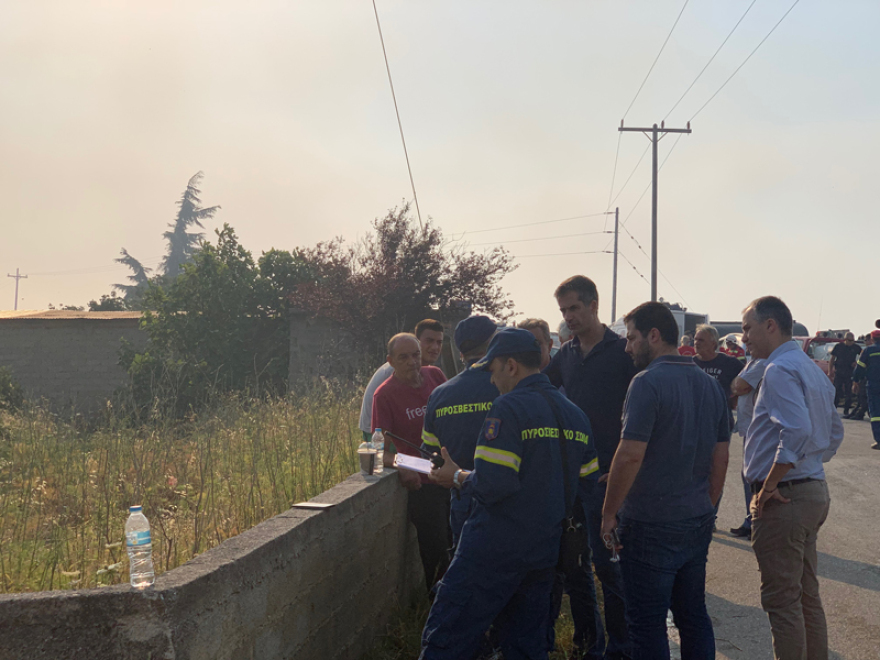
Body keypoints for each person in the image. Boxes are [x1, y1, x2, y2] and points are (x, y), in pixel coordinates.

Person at [420, 328, 599, 660]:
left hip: (492, 549)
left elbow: (493, 484)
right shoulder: (575, 415)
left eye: (493, 370)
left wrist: (456, 476)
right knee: (525, 645)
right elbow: (587, 484)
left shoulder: (508, 408)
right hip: (545, 552)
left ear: (511, 366)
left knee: (447, 636)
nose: (491, 380)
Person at [601, 302, 729, 660]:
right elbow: (722, 456)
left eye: (632, 338)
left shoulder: (646, 383)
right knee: (692, 616)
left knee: (646, 624)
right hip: (696, 517)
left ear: (654, 336)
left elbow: (629, 455)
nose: (627, 347)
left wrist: (609, 513)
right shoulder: (710, 385)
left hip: (650, 523)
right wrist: (708, 504)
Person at [741, 296, 843, 660]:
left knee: (783, 602)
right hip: (810, 491)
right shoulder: (811, 369)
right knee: (805, 596)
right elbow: (833, 432)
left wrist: (770, 484)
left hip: (785, 497)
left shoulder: (778, 370)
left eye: (747, 329)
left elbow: (796, 430)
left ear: (771, 325)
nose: (744, 338)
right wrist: (811, 465)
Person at [545, 275, 636, 660]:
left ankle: (622, 648)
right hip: (574, 479)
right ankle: (588, 645)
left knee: (611, 570)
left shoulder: (623, 352)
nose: (568, 317)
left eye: (574, 309)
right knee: (575, 565)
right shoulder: (564, 355)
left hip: (611, 479)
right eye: (563, 311)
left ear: (594, 305)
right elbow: (538, 390)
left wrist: (621, 470)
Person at [372, 332, 449, 592]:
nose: (412, 362)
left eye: (415, 355)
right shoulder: (384, 396)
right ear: (390, 361)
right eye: (403, 357)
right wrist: (404, 464)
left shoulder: (435, 376)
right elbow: (377, 451)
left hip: (452, 474)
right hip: (424, 484)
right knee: (436, 550)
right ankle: (437, 607)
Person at [422, 315, 499, 547]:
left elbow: (430, 452)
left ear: (460, 353)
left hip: (462, 498)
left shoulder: (440, 394)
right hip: (507, 497)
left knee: (467, 568)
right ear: (494, 343)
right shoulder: (507, 386)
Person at [359, 319, 445, 442]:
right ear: (416, 341)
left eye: (439, 342)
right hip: (380, 432)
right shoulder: (394, 372)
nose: (435, 347)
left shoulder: (433, 373)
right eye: (429, 341)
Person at [728, 357, 767, 538]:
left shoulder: (762, 363)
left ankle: (756, 523)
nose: (745, 339)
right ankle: (750, 520)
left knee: (754, 477)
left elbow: (740, 386)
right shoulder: (752, 362)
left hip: (757, 430)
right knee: (748, 477)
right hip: (749, 429)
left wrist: (736, 383)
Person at [693, 324, 744, 429]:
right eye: (695, 339)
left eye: (701, 340)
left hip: (721, 420)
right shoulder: (690, 363)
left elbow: (748, 381)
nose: (696, 343)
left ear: (713, 344)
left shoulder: (729, 362)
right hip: (696, 421)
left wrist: (735, 399)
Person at [852, 328, 880, 449]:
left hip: (874, 386)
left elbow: (860, 368)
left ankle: (879, 441)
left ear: (873, 339)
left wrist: (856, 381)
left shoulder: (869, 351)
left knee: (876, 413)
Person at [831, 332, 862, 417]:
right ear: (845, 339)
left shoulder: (856, 347)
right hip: (839, 372)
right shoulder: (838, 347)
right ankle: (834, 408)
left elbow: (863, 356)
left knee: (849, 392)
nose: (851, 342)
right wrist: (830, 371)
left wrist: (857, 362)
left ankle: (846, 410)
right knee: (836, 391)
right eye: (849, 340)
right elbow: (832, 359)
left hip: (849, 372)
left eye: (853, 340)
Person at [847, 332, 873, 421]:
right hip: (866, 377)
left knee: (864, 397)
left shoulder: (869, 351)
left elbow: (860, 366)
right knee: (861, 397)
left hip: (867, 377)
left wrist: (856, 379)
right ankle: (856, 413)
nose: (865, 342)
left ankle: (860, 414)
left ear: (871, 340)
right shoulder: (867, 350)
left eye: (866, 340)